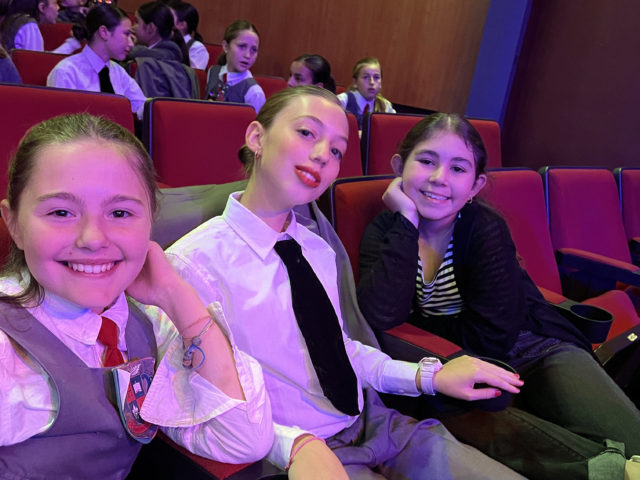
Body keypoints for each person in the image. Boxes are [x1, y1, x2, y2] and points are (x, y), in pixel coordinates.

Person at [162, 86, 525, 479]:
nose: (323, 155)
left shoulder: (317, 248)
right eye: (307, 133)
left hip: (376, 422)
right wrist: (291, 445)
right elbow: (186, 404)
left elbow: (341, 350)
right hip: (302, 448)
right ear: (256, 137)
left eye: (337, 150)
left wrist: (428, 376)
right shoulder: (191, 262)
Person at [357, 112, 640, 479]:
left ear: (476, 185)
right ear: (399, 166)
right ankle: (617, 471)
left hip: (533, 346)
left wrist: (434, 333)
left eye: (458, 169)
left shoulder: (485, 227)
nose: (439, 178)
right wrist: (407, 222)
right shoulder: (386, 231)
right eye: (426, 161)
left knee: (632, 438)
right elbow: (379, 314)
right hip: (457, 364)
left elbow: (494, 336)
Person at [0, 113, 273, 477]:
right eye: (61, 212)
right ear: (14, 224)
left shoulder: (146, 321)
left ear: (151, 220)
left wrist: (175, 295)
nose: (93, 238)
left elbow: (242, 438)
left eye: (120, 212)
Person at [47, 4, 147, 119]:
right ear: (104, 32)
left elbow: (142, 107)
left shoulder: (118, 72)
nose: (131, 43)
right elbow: (61, 123)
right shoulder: (66, 72)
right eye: (126, 34)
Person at [128, 1, 198, 99]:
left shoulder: (146, 64)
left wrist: (128, 46)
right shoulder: (176, 58)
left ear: (150, 28)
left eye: (136, 21)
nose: (132, 28)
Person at [204, 19, 265, 113]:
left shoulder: (254, 92)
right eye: (242, 46)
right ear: (225, 46)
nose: (247, 55)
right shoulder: (213, 71)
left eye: (254, 50)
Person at [337, 57, 395, 130]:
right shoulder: (343, 101)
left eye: (376, 77)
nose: (372, 82)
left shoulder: (385, 106)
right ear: (355, 82)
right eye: (366, 77)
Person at [173, 1, 208, 70]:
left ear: (182, 25)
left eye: (170, 18)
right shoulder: (164, 40)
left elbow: (194, 74)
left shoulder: (197, 48)